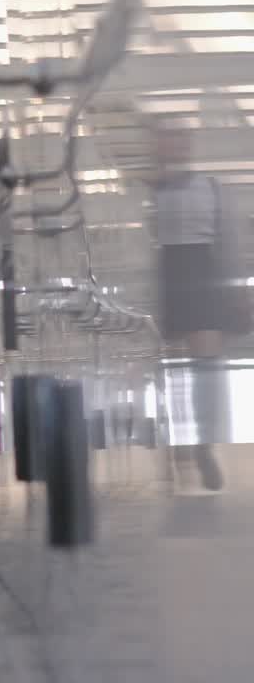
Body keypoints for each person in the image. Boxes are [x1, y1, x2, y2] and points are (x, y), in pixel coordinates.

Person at [152, 124, 248, 492]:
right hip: (170, 272)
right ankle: (180, 440)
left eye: (177, 140)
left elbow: (228, 239)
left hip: (199, 268)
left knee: (204, 365)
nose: (171, 147)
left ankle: (202, 443)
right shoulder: (152, 191)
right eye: (165, 140)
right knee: (174, 368)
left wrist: (237, 285)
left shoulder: (208, 187)